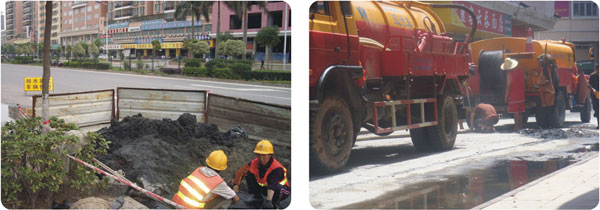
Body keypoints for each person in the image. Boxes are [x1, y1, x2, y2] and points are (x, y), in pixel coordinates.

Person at [172, 150, 240, 209]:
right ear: (222, 168)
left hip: (176, 203)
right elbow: (236, 199)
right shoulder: (218, 182)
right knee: (228, 198)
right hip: (192, 208)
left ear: (208, 161)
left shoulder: (198, 169)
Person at [233, 140, 290, 209]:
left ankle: (274, 205)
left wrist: (268, 201)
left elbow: (272, 185)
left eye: (264, 155)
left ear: (270, 155)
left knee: (278, 188)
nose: (261, 158)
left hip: (282, 191)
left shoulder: (277, 168)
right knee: (249, 175)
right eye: (258, 155)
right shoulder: (254, 163)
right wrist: (236, 185)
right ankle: (257, 197)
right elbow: (241, 172)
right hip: (266, 188)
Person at [502, 57, 525, 131]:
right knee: (520, 112)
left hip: (514, 95)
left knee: (516, 112)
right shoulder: (520, 71)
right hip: (521, 93)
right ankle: (520, 126)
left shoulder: (509, 74)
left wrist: (506, 96)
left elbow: (508, 85)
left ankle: (516, 127)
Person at [589, 64, 599, 128]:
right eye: (597, 69)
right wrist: (593, 90)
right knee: (597, 109)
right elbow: (589, 84)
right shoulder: (592, 76)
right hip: (596, 95)